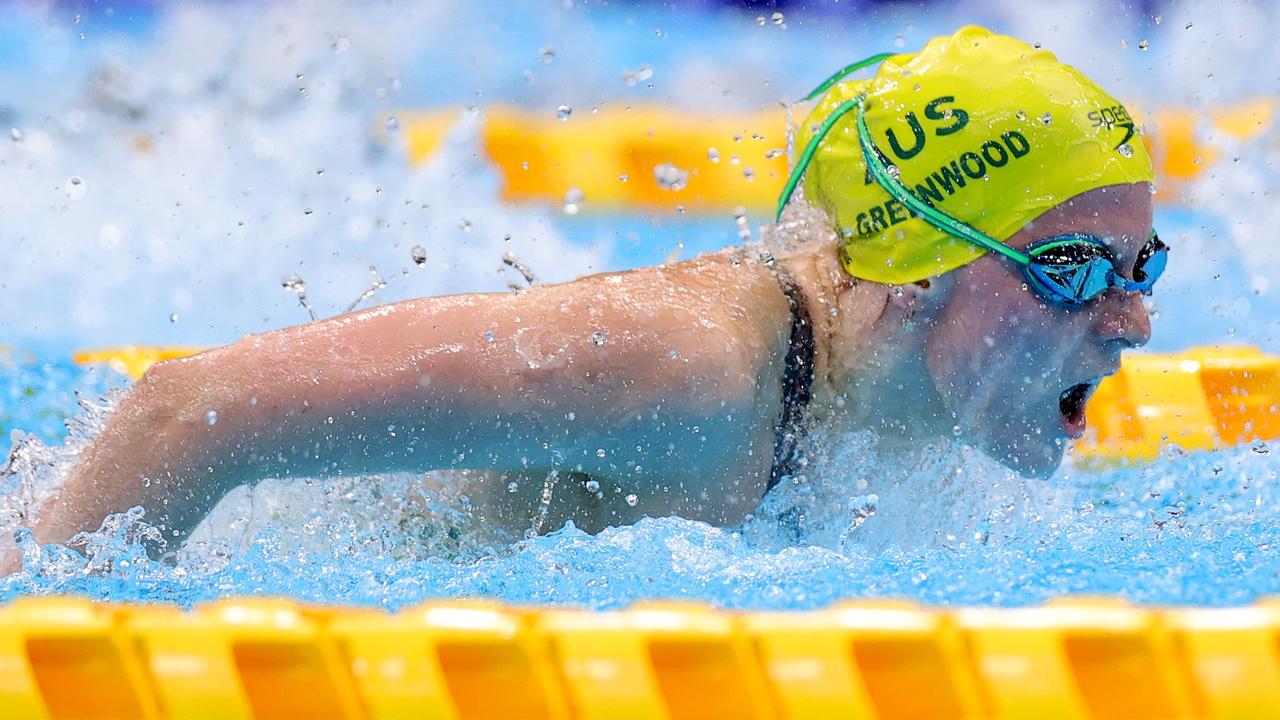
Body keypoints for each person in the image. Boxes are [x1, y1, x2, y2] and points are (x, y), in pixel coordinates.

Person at [6, 26, 1166, 570]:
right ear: (907, 275)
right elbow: (184, 410)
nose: (1129, 325)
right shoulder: (686, 371)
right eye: (1068, 271)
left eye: (1140, 266)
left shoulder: (909, 395)